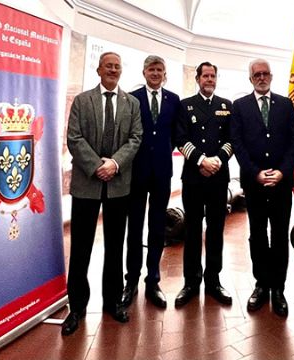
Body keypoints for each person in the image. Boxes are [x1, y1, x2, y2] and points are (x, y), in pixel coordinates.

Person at [62, 51, 143, 335]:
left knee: (115, 246)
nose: (113, 70)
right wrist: (98, 166)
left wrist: (115, 164)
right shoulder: (83, 101)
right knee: (81, 247)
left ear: (121, 71)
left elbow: (136, 138)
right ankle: (77, 307)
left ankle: (112, 302)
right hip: (87, 184)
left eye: (117, 67)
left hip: (119, 186)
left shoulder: (132, 103)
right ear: (99, 70)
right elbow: (74, 138)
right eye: (108, 66)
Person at [230, 58, 294, 317]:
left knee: (280, 236)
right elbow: (237, 143)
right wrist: (255, 173)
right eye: (256, 74)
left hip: (281, 184)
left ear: (271, 76)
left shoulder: (285, 104)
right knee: (258, 234)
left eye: (265, 73)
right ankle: (261, 284)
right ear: (250, 79)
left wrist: (282, 171)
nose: (261, 77)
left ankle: (278, 288)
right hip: (255, 184)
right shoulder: (240, 106)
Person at [122, 55, 181, 309]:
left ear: (165, 74)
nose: (156, 73)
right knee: (134, 227)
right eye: (152, 69)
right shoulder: (132, 98)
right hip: (136, 172)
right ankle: (131, 280)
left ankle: (153, 280)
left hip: (162, 173)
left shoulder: (173, 100)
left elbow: (177, 134)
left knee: (157, 227)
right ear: (144, 72)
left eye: (160, 69)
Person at [174, 62, 234, 307]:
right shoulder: (185, 105)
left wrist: (217, 160)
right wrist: (201, 160)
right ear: (197, 79)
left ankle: (213, 280)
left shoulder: (226, 106)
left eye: (213, 76)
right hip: (194, 177)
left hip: (219, 177)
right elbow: (180, 139)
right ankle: (190, 281)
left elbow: (232, 139)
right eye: (205, 76)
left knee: (216, 229)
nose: (209, 79)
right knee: (192, 229)